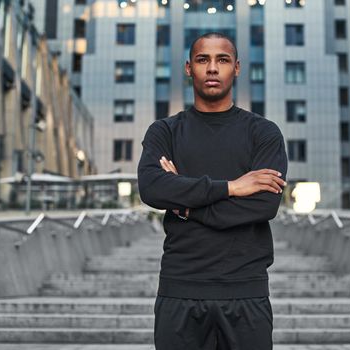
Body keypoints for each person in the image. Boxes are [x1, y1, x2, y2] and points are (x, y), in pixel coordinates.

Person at [137, 32, 288, 350]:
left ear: (237, 67)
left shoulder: (263, 133)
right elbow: (152, 188)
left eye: (222, 60)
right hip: (181, 288)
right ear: (189, 68)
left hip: (245, 289)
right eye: (203, 59)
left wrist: (186, 203)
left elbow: (263, 206)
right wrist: (233, 187)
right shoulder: (165, 131)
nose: (212, 68)